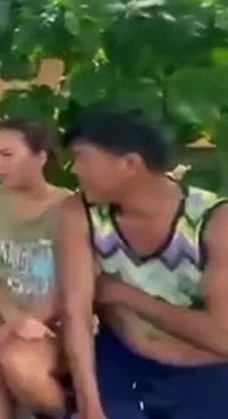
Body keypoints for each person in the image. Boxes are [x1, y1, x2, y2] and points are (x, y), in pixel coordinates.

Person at [58, 108, 228, 419]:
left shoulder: (214, 222)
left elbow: (223, 336)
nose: (75, 170)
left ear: (130, 164)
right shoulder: (80, 212)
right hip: (125, 360)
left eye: (83, 158)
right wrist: (90, 406)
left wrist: (126, 296)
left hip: (207, 372)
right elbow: (75, 311)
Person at [0, 120, 72, 418]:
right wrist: (13, 320)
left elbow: (74, 283)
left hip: (55, 324)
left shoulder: (70, 207)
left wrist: (20, 326)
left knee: (18, 363)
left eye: (7, 155)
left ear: (40, 156)